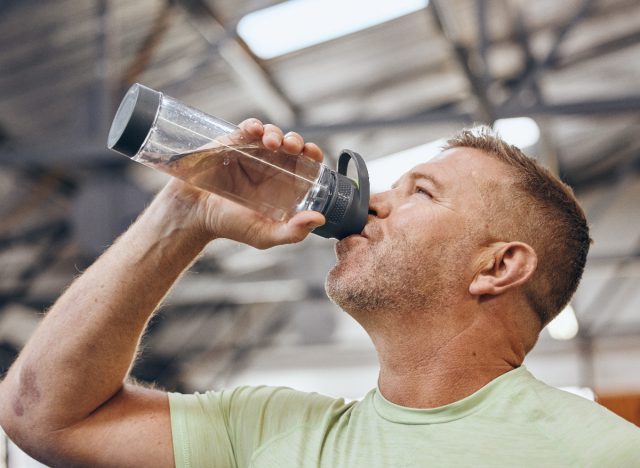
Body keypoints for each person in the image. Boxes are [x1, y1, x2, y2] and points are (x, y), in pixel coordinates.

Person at [0, 119, 638, 467]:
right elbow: (42, 415)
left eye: (420, 191)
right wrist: (183, 215)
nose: (376, 200)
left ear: (497, 267)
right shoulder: (272, 432)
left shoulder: (599, 453)